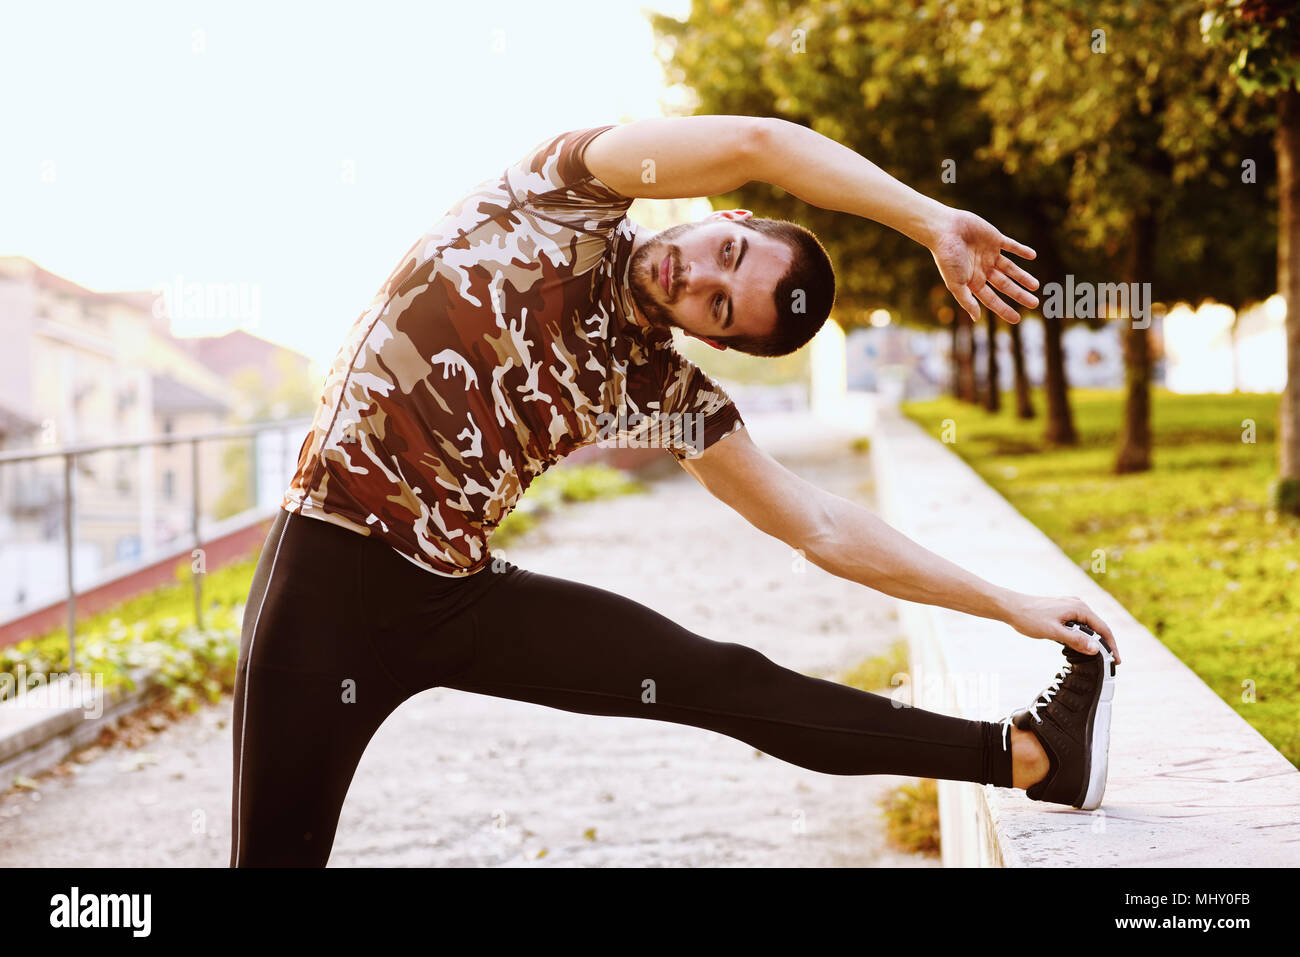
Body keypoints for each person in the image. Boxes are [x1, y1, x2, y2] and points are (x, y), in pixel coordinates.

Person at [229, 115, 1121, 867]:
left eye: (722, 305)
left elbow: (819, 526)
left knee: (725, 680)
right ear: (724, 213)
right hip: (326, 581)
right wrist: (928, 222)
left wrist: (1007, 602)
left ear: (716, 339)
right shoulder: (565, 193)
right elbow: (760, 142)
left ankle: (1034, 756)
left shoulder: (660, 392)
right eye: (725, 251)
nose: (698, 277)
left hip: (453, 593)